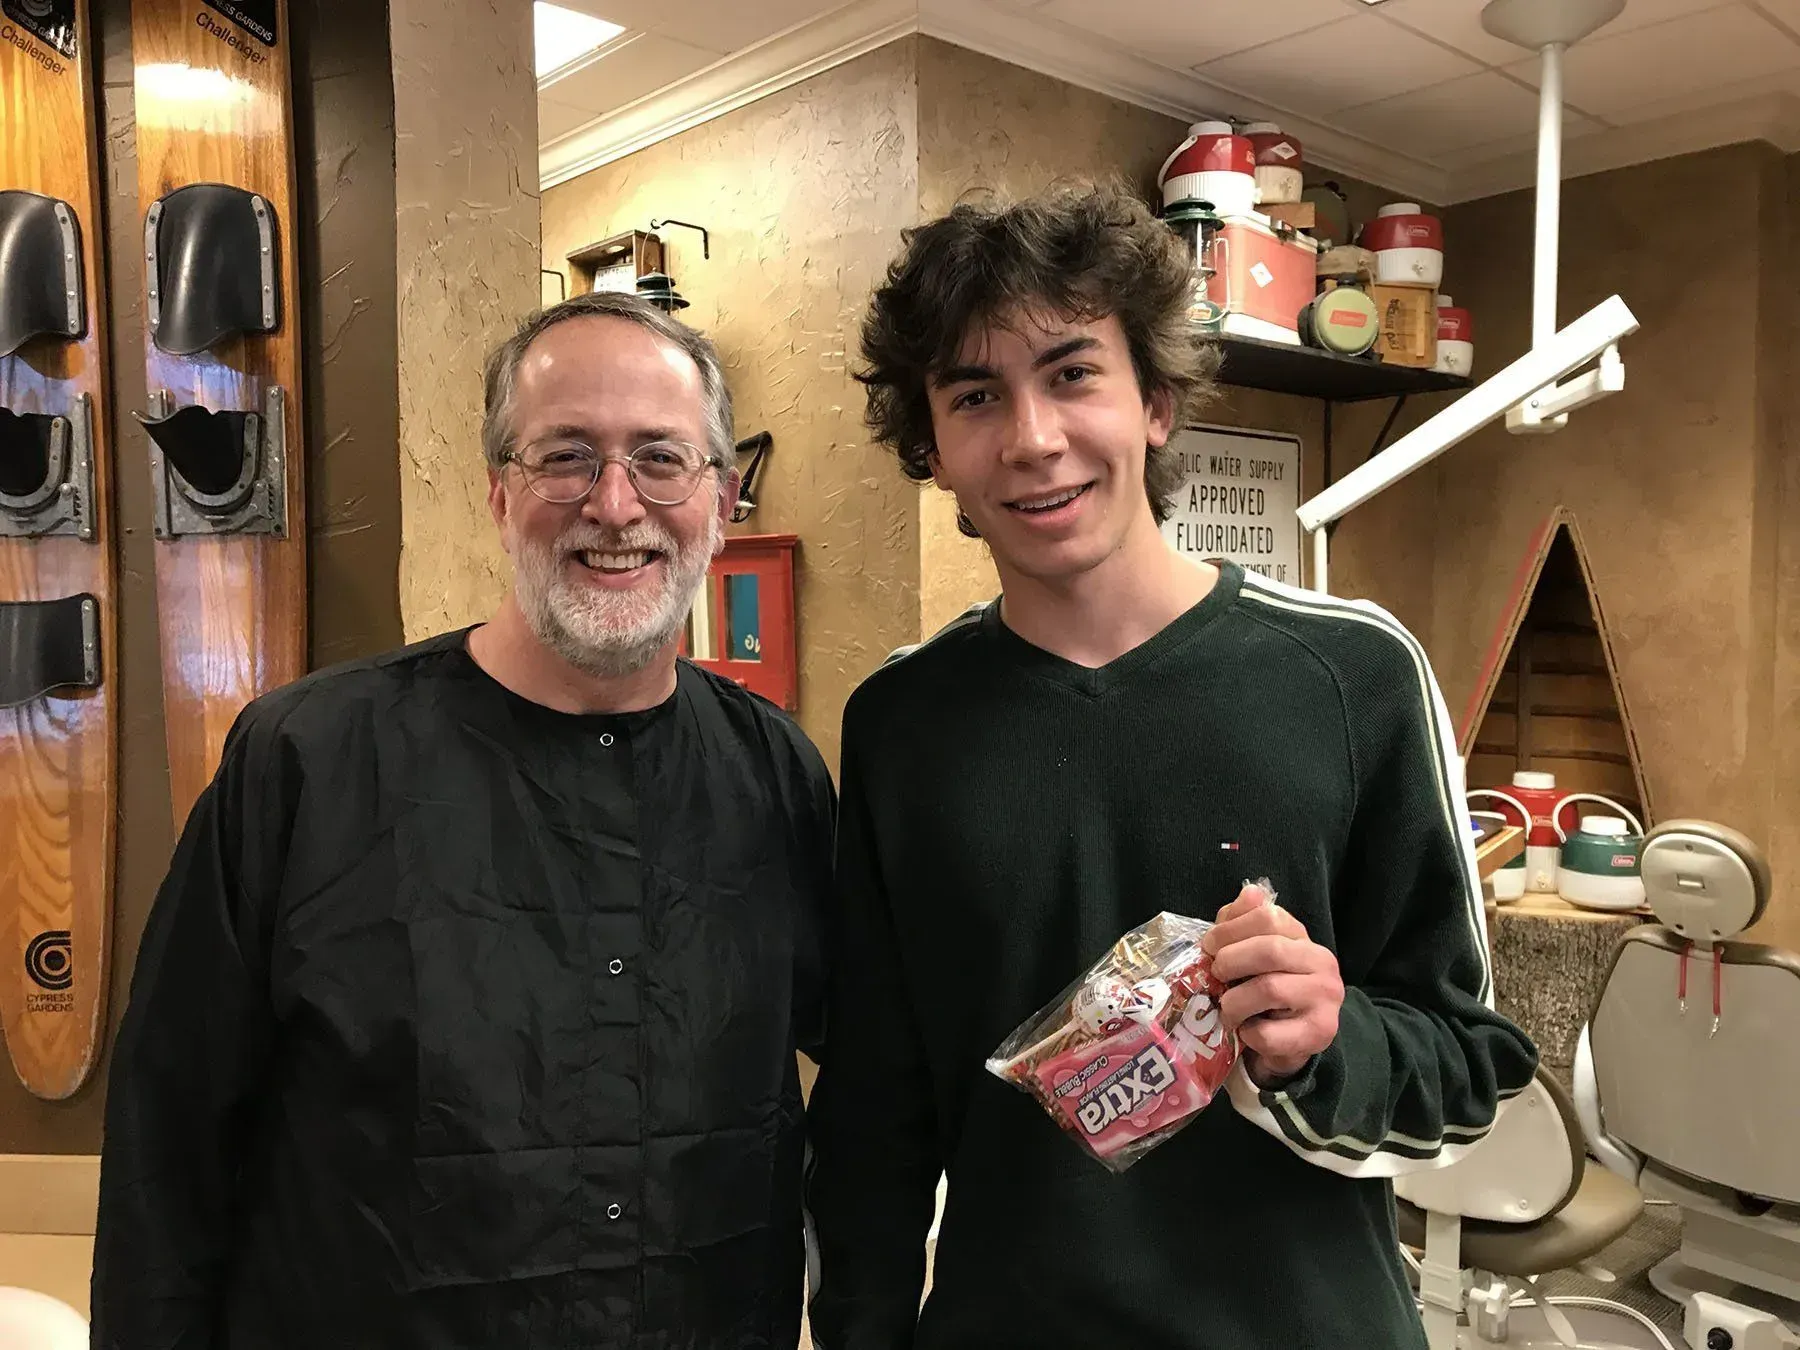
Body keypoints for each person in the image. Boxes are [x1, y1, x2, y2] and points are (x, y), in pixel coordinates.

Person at [803, 183, 1539, 1349]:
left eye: (1073, 373)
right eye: (976, 395)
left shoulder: (1352, 676)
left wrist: (1325, 1045)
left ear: (1155, 399)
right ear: (933, 449)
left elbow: (1469, 1068)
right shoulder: (901, 722)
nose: (1034, 437)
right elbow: (873, 1117)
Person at [93, 290, 834, 1349]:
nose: (615, 504)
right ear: (497, 493)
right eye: (566, 455)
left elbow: (880, 1065)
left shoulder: (776, 776)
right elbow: (170, 1140)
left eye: (661, 459)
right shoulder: (308, 761)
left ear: (719, 504)